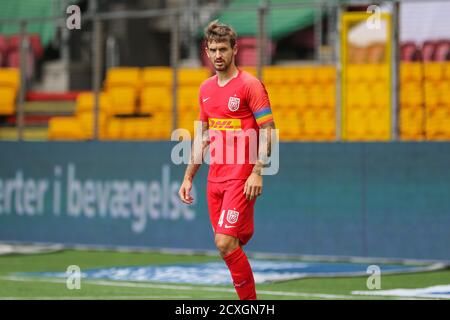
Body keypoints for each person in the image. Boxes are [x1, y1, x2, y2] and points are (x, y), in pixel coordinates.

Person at [178, 20, 275, 300]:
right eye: (212, 50)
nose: (218, 55)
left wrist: (258, 171)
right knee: (228, 245)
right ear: (206, 52)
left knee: (224, 241)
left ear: (234, 49)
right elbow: (202, 136)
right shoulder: (205, 90)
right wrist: (188, 177)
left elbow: (269, 131)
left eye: (223, 49)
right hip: (214, 179)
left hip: (241, 178)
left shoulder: (250, 86)